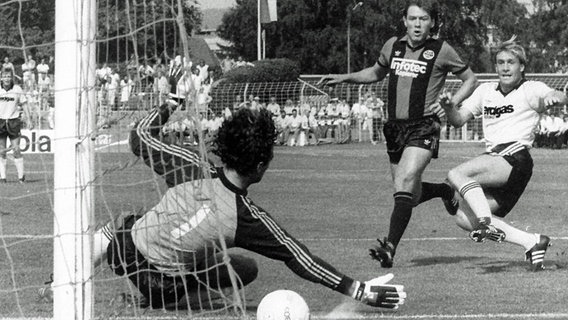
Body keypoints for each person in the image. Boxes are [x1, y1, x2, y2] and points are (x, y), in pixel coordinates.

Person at [42, 104, 406, 310]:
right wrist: (360, 290)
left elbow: (140, 137)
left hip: (122, 252)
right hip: (163, 287)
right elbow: (301, 258)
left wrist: (169, 101)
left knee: (122, 223)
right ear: (262, 166)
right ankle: (179, 302)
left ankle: (59, 286)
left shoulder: (190, 165)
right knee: (243, 268)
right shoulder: (248, 218)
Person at [318, 0, 477, 268]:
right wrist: (344, 77)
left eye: (423, 19)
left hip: (424, 125)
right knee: (409, 195)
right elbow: (376, 73)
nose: (417, 24)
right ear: (404, 21)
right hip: (394, 128)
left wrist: (451, 103)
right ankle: (442, 190)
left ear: (432, 23)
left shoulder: (441, 50)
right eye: (413, 19)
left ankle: (389, 247)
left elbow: (471, 80)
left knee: (405, 179)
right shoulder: (393, 45)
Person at [436, 37, 567, 272]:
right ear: (495, 66)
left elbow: (556, 95)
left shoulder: (531, 88)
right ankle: (533, 242)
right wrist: (448, 108)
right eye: (500, 62)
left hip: (514, 158)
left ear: (522, 66)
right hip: (497, 162)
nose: (505, 67)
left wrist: (555, 97)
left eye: (511, 62)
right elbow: (458, 120)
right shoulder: (485, 91)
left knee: (457, 174)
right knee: (465, 220)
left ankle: (481, 219)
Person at [0, 69, 29, 183]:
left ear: (12, 77)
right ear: (1, 77)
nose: (6, 78)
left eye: (8, 76)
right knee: (2, 151)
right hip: (0, 122)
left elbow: (24, 104)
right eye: (4, 76)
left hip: (13, 122)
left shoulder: (17, 89)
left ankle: (21, 177)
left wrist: (29, 118)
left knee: (16, 149)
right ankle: (3, 178)